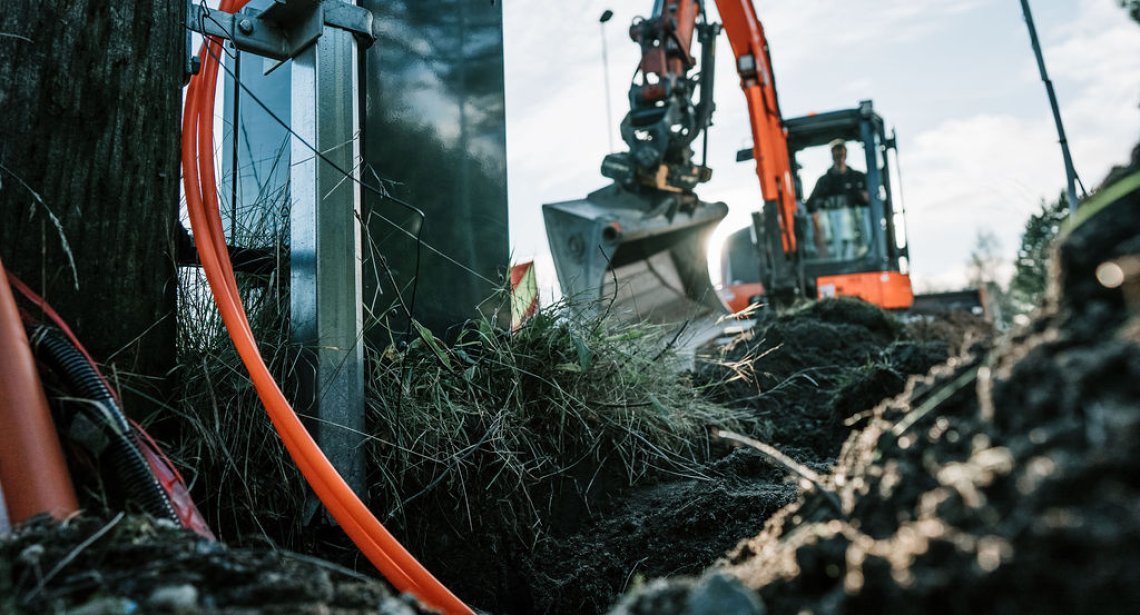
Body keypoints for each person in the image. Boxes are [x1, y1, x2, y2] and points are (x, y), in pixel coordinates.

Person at [805, 139, 871, 259]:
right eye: (836, 152)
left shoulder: (858, 177)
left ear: (846, 154)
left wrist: (864, 196)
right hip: (832, 235)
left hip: (859, 233)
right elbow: (810, 205)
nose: (839, 156)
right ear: (832, 155)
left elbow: (871, 201)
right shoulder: (824, 181)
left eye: (841, 152)